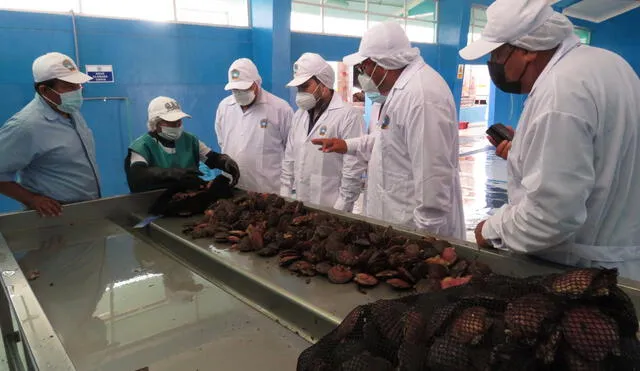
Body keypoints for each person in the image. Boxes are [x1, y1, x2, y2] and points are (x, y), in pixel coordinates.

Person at [460, 0, 640, 279]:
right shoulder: (608, 64)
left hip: (579, 273)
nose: (494, 65)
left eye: (497, 55)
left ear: (527, 50)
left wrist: (491, 230)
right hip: (621, 260)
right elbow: (599, 152)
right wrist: (529, 148)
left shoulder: (560, 92)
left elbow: (550, 217)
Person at [312, 22, 465, 239]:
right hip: (396, 225)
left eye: (364, 68)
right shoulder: (400, 92)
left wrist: (425, 241)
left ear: (380, 65)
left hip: (415, 234)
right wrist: (348, 145)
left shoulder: (421, 96)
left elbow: (433, 178)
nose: (362, 75)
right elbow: (389, 142)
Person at [0, 52, 101, 217]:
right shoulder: (26, 126)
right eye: (69, 86)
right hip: (54, 215)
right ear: (44, 90)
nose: (77, 91)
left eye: (79, 85)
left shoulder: (70, 111)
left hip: (87, 208)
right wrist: (32, 199)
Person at [280, 53, 366, 211]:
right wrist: (285, 196)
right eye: (298, 88)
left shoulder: (348, 115)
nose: (300, 93)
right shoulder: (299, 115)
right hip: (301, 204)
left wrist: (341, 208)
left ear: (324, 84)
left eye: (305, 86)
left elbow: (353, 169)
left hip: (332, 205)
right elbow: (289, 159)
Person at [126, 96, 239, 193]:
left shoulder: (190, 140)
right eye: (171, 122)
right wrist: (172, 173)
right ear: (155, 124)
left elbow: (211, 158)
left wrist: (225, 162)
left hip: (188, 199)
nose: (177, 125)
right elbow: (138, 176)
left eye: (179, 121)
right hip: (153, 202)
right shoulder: (142, 146)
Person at [215, 58, 294, 194]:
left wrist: (287, 189)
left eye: (244, 88)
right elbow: (222, 141)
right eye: (235, 89)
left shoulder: (280, 109)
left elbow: (292, 151)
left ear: (256, 82)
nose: (239, 93)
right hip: (232, 189)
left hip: (267, 192)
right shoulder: (224, 107)